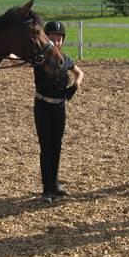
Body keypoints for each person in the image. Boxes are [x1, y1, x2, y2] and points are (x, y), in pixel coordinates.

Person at [34, 21, 84, 202]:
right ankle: (46, 189)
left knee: (57, 145)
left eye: (59, 39)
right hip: (42, 107)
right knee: (46, 147)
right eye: (52, 39)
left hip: (59, 107)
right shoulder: (39, 59)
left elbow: (80, 73)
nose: (55, 43)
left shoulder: (65, 58)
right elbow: (15, 57)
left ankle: (54, 184)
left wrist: (75, 86)